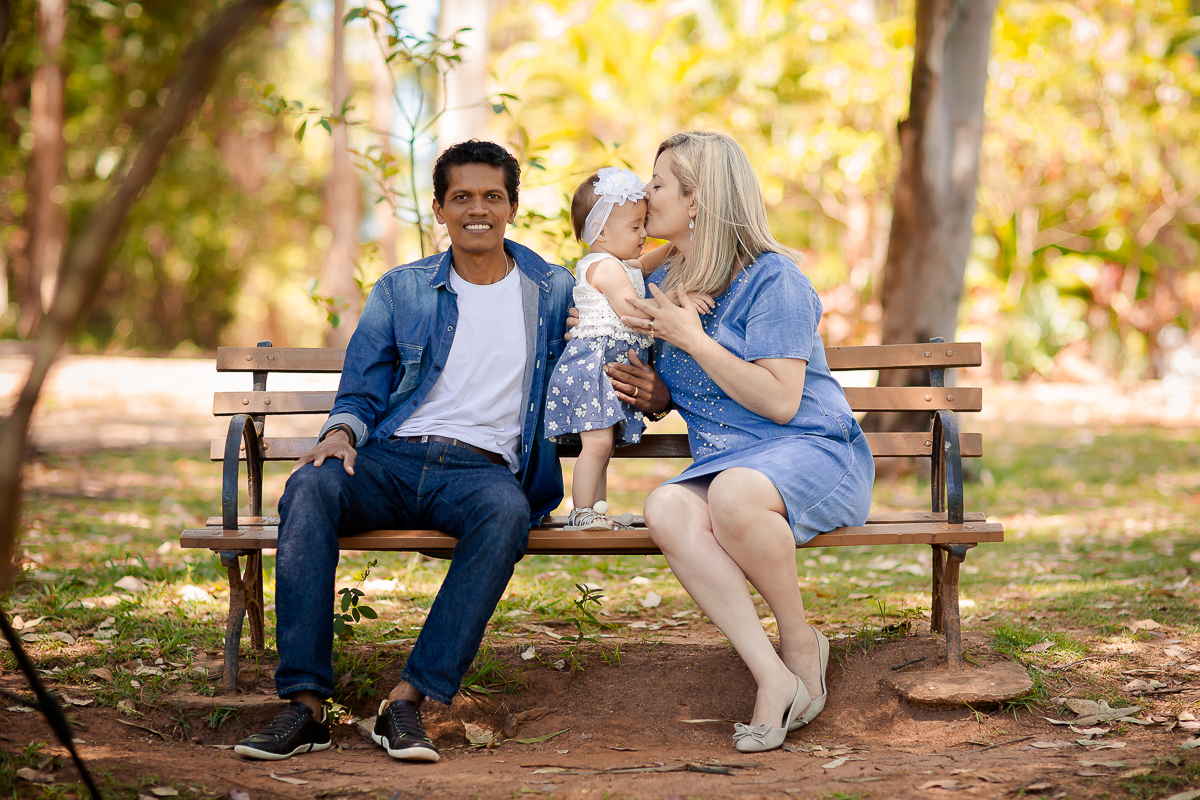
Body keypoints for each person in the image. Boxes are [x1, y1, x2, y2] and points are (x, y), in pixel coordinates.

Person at [233, 140, 575, 763]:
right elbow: (362, 389)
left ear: (513, 207)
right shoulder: (403, 290)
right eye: (463, 197)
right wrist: (339, 434)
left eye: (492, 197)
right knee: (310, 488)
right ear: (440, 209)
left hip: (481, 471)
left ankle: (407, 702)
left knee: (505, 516)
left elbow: (604, 355)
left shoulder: (551, 290)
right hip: (392, 459)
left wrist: (641, 379)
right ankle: (305, 707)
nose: (478, 209)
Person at [619, 131, 875, 753]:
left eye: (656, 184)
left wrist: (693, 341)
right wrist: (660, 393)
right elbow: (693, 381)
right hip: (733, 463)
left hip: (816, 451)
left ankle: (799, 641)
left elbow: (781, 401)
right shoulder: (671, 276)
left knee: (733, 495)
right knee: (665, 507)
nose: (644, 195)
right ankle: (771, 675)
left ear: (697, 199)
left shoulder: (774, 281)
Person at [546, 167, 687, 530]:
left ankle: (597, 510)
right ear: (602, 232)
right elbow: (631, 314)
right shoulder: (606, 268)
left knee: (603, 443)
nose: (644, 233)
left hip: (603, 369)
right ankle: (581, 511)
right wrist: (679, 299)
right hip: (592, 368)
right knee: (596, 444)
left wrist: (677, 244)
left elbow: (644, 263)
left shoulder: (620, 264)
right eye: (636, 226)